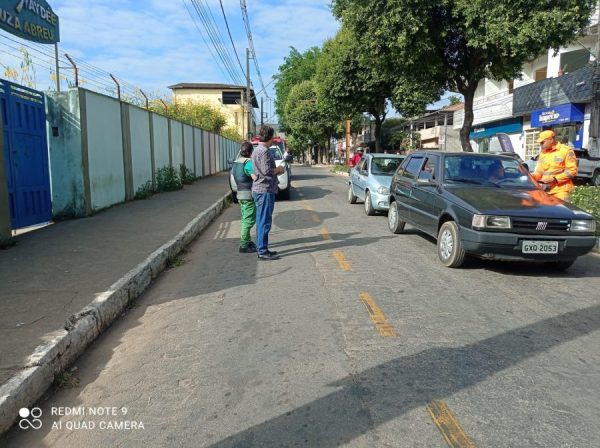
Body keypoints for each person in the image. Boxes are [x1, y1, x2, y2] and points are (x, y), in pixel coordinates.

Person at [251, 125, 285, 260]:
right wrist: (279, 170)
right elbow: (266, 172)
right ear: (271, 137)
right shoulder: (264, 151)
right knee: (264, 222)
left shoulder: (257, 150)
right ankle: (262, 251)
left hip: (260, 190)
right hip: (264, 190)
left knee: (261, 221)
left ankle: (262, 248)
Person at [532, 130, 578, 201]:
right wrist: (532, 177)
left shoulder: (566, 151)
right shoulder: (543, 153)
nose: (541, 145)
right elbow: (539, 171)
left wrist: (555, 179)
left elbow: (572, 171)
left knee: (561, 211)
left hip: (561, 190)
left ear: (551, 140)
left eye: (542, 142)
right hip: (545, 190)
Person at [232, 141, 257, 253]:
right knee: (248, 221)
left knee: (244, 219)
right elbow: (255, 178)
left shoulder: (236, 162)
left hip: (240, 194)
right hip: (248, 195)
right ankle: (243, 245)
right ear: (251, 152)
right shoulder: (248, 163)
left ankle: (247, 241)